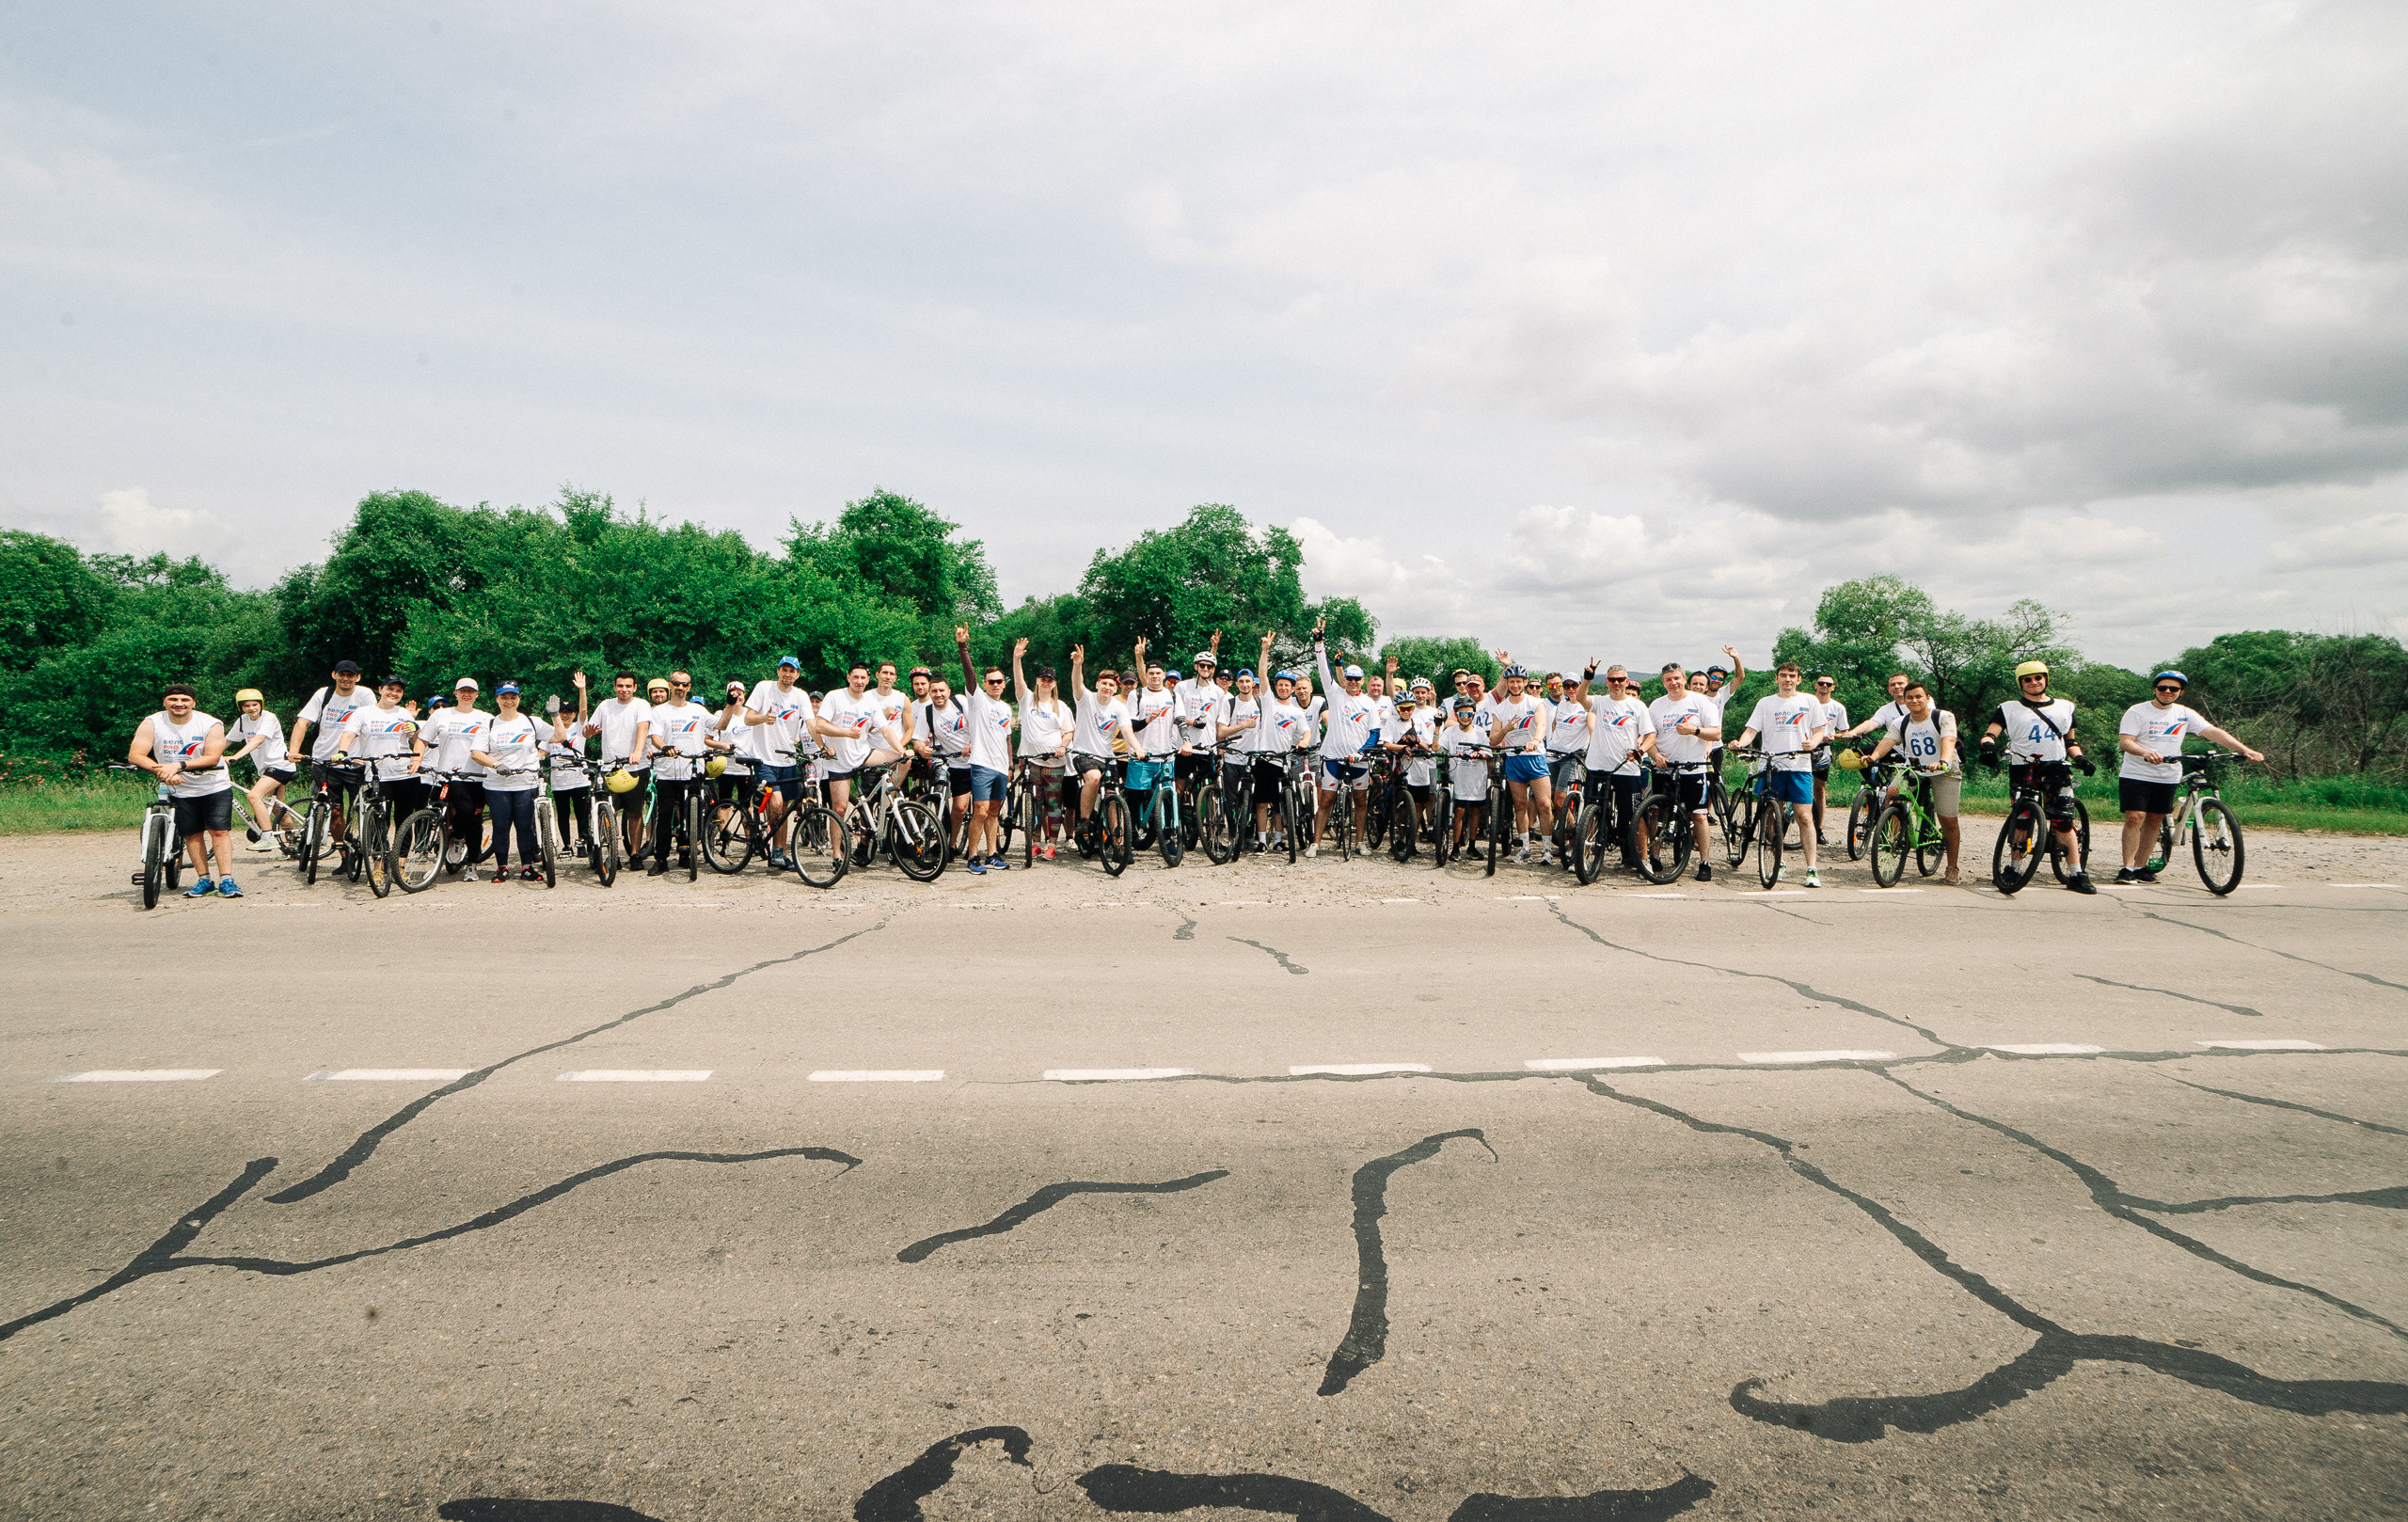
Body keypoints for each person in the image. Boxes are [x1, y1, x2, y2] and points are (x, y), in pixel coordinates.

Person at [2115, 670, 2262, 883]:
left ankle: (2140, 867)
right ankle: (2127, 867)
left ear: (2180, 692)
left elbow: (2213, 732)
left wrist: (2245, 750)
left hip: (2167, 774)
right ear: (2154, 689)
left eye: (2173, 689)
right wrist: (2146, 752)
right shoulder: (2137, 712)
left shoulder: (2184, 713)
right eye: (2162, 688)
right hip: (2137, 773)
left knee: (2155, 820)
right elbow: (2126, 742)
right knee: (2135, 817)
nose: (2167, 692)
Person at [1978, 660, 2097, 895]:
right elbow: (1990, 734)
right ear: (2021, 683)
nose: (2033, 683)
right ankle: (2014, 868)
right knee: (2022, 818)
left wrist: (2081, 758)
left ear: (2046, 679)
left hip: (2056, 767)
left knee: (2063, 820)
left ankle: (2076, 873)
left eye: (2038, 678)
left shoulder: (2065, 707)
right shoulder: (2008, 708)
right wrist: (1988, 748)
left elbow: (2070, 741)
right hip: (2023, 767)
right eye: (2027, 679)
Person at [129, 684, 238, 897]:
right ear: (165, 702)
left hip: (213, 784)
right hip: (180, 788)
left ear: (193, 703)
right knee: (192, 833)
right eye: (173, 699)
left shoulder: (210, 723)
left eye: (185, 700)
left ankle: (227, 880)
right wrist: (163, 771)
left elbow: (212, 757)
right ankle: (204, 880)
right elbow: (136, 754)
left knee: (219, 831)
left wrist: (178, 766)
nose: (179, 704)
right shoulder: (152, 722)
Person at [1735, 661, 1828, 887]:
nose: (1787, 679)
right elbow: (1751, 730)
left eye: (1792, 675)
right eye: (1783, 675)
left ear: (1799, 679)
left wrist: (1812, 743)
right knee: (1769, 815)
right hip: (1771, 765)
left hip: (1800, 766)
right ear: (1776, 679)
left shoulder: (1809, 701)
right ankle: (1780, 861)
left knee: (1804, 817)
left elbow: (1819, 731)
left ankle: (1812, 868)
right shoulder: (1766, 703)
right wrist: (1740, 743)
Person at [1863, 679, 1964, 884]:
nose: (1914, 700)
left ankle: (1952, 868)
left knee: (1948, 820)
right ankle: (1893, 836)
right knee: (1892, 792)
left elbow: (1949, 740)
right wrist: (1872, 757)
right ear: (1905, 701)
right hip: (1915, 768)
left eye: (1919, 696)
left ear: (1928, 698)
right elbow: (1887, 741)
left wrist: (1943, 761)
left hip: (1943, 770)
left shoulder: (1943, 716)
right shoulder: (1901, 722)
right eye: (1909, 697)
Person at [1572, 663, 1657, 874]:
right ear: (1607, 682)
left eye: (1620, 679)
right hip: (1597, 766)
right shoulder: (1600, 702)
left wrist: (1640, 751)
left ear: (1627, 682)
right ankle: (1583, 857)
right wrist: (1587, 678)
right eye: (1612, 680)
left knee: (1634, 816)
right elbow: (1582, 698)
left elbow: (1650, 735)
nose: (1616, 683)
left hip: (1626, 769)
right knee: (1590, 814)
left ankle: (1643, 859)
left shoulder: (1638, 706)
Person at [733, 657, 813, 869]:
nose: (788, 674)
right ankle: (776, 851)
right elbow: (748, 718)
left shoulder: (801, 695)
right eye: (784, 670)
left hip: (787, 759)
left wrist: (822, 747)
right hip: (764, 757)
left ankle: (780, 854)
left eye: (792, 671)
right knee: (775, 802)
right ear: (778, 671)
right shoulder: (764, 688)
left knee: (784, 808)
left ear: (798, 674)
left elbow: (812, 724)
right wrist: (763, 719)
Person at [1309, 622, 1382, 856]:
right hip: (1333, 757)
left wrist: (1362, 752)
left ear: (1363, 681)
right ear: (1345, 680)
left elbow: (1375, 733)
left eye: (1356, 679)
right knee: (1326, 801)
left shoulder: (1369, 703)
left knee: (1360, 802)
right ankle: (1316, 843)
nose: (1352, 682)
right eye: (1349, 678)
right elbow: (1323, 669)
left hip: (1359, 759)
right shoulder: (1335, 694)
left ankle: (1360, 842)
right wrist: (1319, 642)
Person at [289, 659, 376, 845]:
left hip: (355, 762)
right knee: (333, 812)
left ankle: (366, 848)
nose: (346, 679)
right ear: (334, 675)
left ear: (357, 678)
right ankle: (344, 855)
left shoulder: (365, 695)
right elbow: (302, 722)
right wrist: (294, 751)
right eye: (342, 674)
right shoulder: (323, 694)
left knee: (363, 810)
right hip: (325, 761)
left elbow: (373, 725)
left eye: (350, 675)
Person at [1647, 664, 1722, 880]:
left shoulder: (1700, 702)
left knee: (1699, 815)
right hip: (1665, 768)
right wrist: (1656, 756)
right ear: (1663, 682)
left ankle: (1704, 862)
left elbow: (1716, 734)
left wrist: (1695, 730)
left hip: (1693, 767)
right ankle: (1655, 856)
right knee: (1657, 813)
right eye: (1668, 679)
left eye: (1677, 678)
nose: (1673, 683)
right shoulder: (1656, 705)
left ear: (1684, 678)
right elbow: (1648, 737)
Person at [813, 660, 910, 823]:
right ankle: (837, 850)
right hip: (840, 760)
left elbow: (886, 730)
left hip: (863, 754)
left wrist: (901, 750)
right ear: (848, 677)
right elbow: (819, 726)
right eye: (855, 677)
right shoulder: (834, 696)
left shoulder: (870, 701)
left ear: (868, 679)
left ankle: (886, 804)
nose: (859, 681)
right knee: (839, 809)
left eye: (863, 678)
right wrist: (847, 733)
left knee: (905, 762)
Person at [955, 626, 1017, 873]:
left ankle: (992, 854)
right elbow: (968, 673)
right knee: (979, 811)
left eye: (1000, 681)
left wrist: (1011, 766)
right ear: (985, 683)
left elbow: (1008, 739)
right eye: (991, 681)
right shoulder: (977, 699)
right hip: (982, 763)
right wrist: (963, 646)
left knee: (993, 812)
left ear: (1004, 684)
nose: (996, 685)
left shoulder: (1006, 708)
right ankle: (972, 857)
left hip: (1002, 766)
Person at [472, 683, 548, 881]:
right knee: (501, 826)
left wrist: (556, 715)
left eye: (513, 697)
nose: (509, 701)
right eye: (504, 697)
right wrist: (496, 764)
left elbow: (559, 736)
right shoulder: (489, 724)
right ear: (497, 699)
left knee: (525, 826)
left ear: (519, 699)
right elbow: (476, 753)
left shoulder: (531, 722)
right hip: (497, 785)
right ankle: (502, 868)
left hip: (526, 782)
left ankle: (527, 867)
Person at [644, 672, 717, 875]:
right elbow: (655, 737)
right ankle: (661, 859)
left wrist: (729, 706)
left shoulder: (698, 710)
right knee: (665, 815)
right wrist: (665, 746)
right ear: (670, 685)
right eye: (676, 684)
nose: (680, 688)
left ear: (689, 687)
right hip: (667, 772)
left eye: (684, 684)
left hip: (693, 770)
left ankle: (686, 852)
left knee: (691, 815)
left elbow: (720, 725)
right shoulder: (660, 711)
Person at [1067, 644, 1142, 835]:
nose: (1107, 687)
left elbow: (1127, 731)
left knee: (1113, 796)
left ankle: (1119, 842)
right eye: (1104, 683)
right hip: (1084, 753)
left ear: (1116, 688)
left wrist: (1138, 748)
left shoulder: (1118, 707)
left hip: (1108, 757)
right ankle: (1084, 820)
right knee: (1093, 778)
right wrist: (1078, 665)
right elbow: (1077, 683)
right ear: (1097, 685)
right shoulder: (1086, 698)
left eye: (1111, 685)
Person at [333, 675, 426, 823]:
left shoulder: (404, 713)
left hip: (405, 774)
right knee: (379, 821)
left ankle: (402, 848)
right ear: (380, 689)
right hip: (377, 775)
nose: (394, 693)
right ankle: (378, 847)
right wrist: (342, 752)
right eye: (390, 689)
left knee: (405, 820)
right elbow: (348, 734)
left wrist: (416, 729)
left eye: (399, 690)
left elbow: (415, 740)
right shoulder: (363, 712)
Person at [421, 678, 494, 868]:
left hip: (479, 775)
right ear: (455, 693)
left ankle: (472, 864)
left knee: (475, 819)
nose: (466, 694)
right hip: (450, 775)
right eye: (463, 691)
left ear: (477, 695)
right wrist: (416, 760)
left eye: (471, 691)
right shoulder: (441, 715)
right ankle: (456, 839)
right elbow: (422, 739)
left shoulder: (486, 718)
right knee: (465, 810)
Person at [1486, 663, 1553, 864]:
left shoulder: (1535, 703)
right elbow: (1493, 740)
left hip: (1535, 758)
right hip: (1514, 759)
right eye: (1512, 681)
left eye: (1519, 681)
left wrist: (1536, 740)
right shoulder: (1500, 708)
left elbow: (1541, 725)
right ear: (1506, 683)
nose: (1515, 685)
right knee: (1520, 805)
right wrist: (1506, 729)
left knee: (1544, 804)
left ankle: (1547, 850)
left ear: (1525, 683)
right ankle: (1524, 848)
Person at [1011, 642, 1072, 859]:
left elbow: (1068, 732)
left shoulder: (1061, 707)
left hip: (1054, 762)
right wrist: (1017, 658)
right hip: (1032, 760)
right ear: (1037, 681)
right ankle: (1035, 842)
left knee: (1053, 803)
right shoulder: (1027, 699)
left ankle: (1053, 845)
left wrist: (1063, 747)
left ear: (1054, 684)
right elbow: (1018, 681)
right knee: (1035, 803)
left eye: (1050, 680)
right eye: (1042, 679)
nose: (1046, 683)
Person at [585, 673, 654, 863]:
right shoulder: (605, 705)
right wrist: (588, 732)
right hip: (609, 767)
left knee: (634, 812)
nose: (624, 689)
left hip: (635, 766)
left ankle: (635, 854)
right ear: (615, 687)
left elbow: (643, 729)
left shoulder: (641, 705)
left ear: (635, 687)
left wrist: (637, 751)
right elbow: (587, 731)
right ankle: (612, 853)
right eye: (620, 686)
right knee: (609, 811)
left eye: (628, 686)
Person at [1123, 640, 1182, 848]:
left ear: (1164, 675)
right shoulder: (1136, 695)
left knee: (1167, 798)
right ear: (1146, 676)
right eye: (1151, 673)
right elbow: (1130, 725)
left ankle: (1168, 838)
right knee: (1136, 797)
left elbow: (1181, 721)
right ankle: (1129, 837)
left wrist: (1187, 742)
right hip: (1141, 755)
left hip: (1166, 755)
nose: (1155, 676)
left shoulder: (1173, 695)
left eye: (1159, 673)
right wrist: (1147, 720)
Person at [225, 688, 295, 851]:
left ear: (261, 704)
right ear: (241, 707)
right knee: (277, 808)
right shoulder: (243, 720)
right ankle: (294, 844)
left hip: (280, 766)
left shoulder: (269, 718)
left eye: (254, 704)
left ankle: (267, 836)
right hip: (267, 769)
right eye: (246, 705)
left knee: (254, 796)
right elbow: (227, 740)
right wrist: (207, 755)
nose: (251, 708)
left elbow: (258, 740)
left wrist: (235, 756)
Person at [914, 673, 974, 850]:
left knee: (984, 809)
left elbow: (980, 725)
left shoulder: (961, 702)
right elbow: (917, 739)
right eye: (934, 691)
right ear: (930, 693)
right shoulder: (927, 712)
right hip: (955, 763)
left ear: (949, 691)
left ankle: (984, 851)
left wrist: (972, 744)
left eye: (942, 690)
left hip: (978, 760)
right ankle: (950, 844)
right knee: (960, 808)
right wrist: (920, 748)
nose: (938, 694)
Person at [547, 673, 594, 856]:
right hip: (559, 781)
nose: (565, 715)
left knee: (583, 814)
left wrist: (582, 690)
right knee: (563, 815)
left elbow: (584, 711)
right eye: (561, 712)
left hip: (579, 779)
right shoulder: (550, 731)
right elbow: (541, 751)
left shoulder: (579, 729)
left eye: (569, 712)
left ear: (573, 714)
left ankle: (582, 842)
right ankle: (566, 845)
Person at [1439, 695, 1491, 854]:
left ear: (1474, 714)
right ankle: (1455, 847)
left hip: (1476, 779)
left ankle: (1472, 846)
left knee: (1476, 812)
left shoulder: (1480, 732)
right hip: (1459, 779)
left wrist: (1480, 755)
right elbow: (1438, 748)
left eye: (1469, 714)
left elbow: (1488, 753)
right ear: (1456, 715)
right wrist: (1436, 728)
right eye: (1462, 714)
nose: (1466, 717)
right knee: (1459, 812)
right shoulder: (1450, 732)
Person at [1807, 674, 1847, 845]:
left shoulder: (1838, 708)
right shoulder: (1808, 703)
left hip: (1823, 749)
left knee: (1819, 790)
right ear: (1815, 685)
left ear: (1833, 687)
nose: (1824, 686)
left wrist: (1835, 736)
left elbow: (1845, 732)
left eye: (1828, 684)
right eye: (1821, 683)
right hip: (1803, 747)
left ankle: (1819, 829)